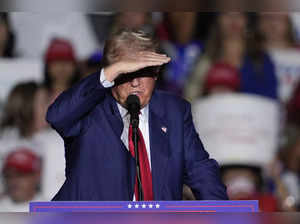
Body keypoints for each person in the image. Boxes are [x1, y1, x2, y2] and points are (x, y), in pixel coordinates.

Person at [46, 29, 228, 201]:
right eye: (127, 72)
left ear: (156, 73)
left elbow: (200, 171)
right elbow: (57, 116)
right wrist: (109, 72)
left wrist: (225, 216)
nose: (135, 83)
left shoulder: (174, 111)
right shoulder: (89, 109)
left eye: (143, 72)